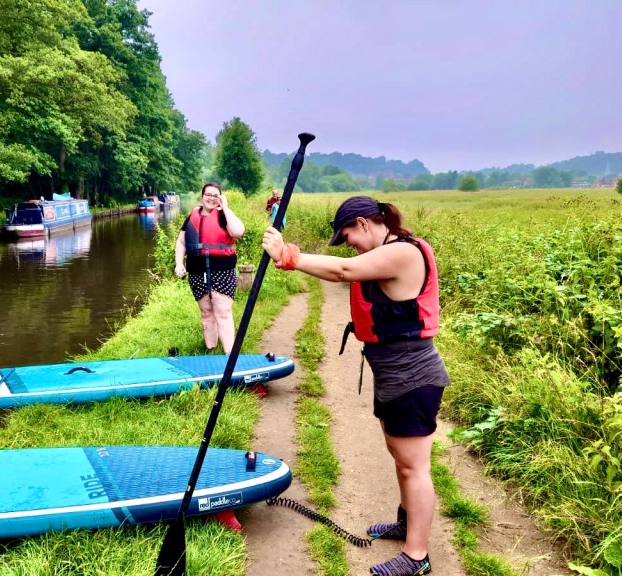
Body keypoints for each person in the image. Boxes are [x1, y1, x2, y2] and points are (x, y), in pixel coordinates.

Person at [261, 195, 450, 576]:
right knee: (401, 457)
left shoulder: (404, 252)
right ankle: (406, 522)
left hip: (412, 374)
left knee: (414, 467)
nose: (349, 245)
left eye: (348, 236)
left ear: (364, 223)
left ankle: (417, 556)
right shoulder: (386, 251)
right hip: (394, 373)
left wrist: (289, 255)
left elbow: (344, 271)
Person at [174, 182, 246, 352]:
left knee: (223, 312)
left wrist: (225, 207)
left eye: (216, 195)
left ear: (220, 198)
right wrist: (179, 263)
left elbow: (238, 232)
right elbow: (181, 242)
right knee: (206, 313)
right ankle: (211, 350)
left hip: (222, 270)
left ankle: (230, 355)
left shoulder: (223, 215)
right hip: (197, 271)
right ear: (202, 196)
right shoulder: (192, 216)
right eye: (208, 194)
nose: (211, 198)